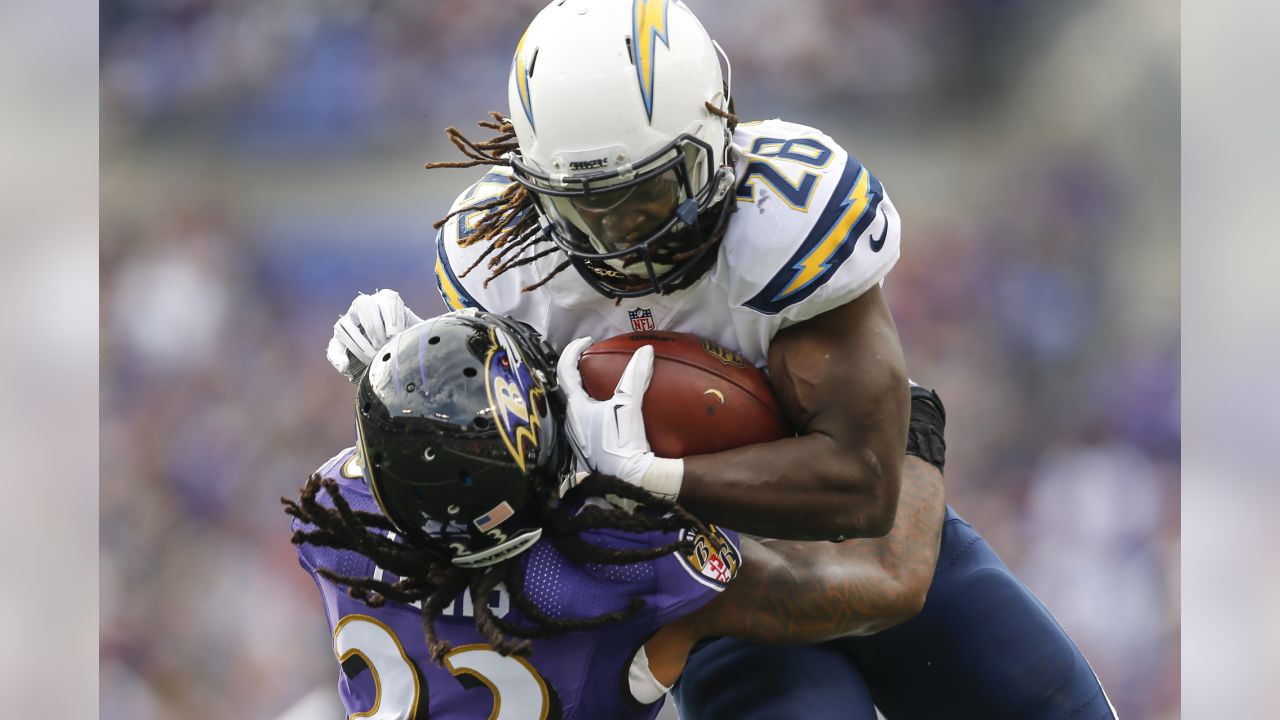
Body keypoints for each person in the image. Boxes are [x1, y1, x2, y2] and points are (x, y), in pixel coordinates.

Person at [326, 1, 1116, 717]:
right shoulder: (503, 265)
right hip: (699, 586)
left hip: (839, 541)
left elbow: (866, 490)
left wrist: (658, 474)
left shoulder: (786, 218)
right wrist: (408, 388)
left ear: (716, 133)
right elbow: (487, 473)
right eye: (583, 209)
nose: (621, 236)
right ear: (534, 190)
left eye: (649, 195)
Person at [289, 309, 949, 719]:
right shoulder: (618, 572)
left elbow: (426, 471)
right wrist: (914, 425)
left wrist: (408, 382)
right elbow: (890, 583)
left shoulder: (337, 519)